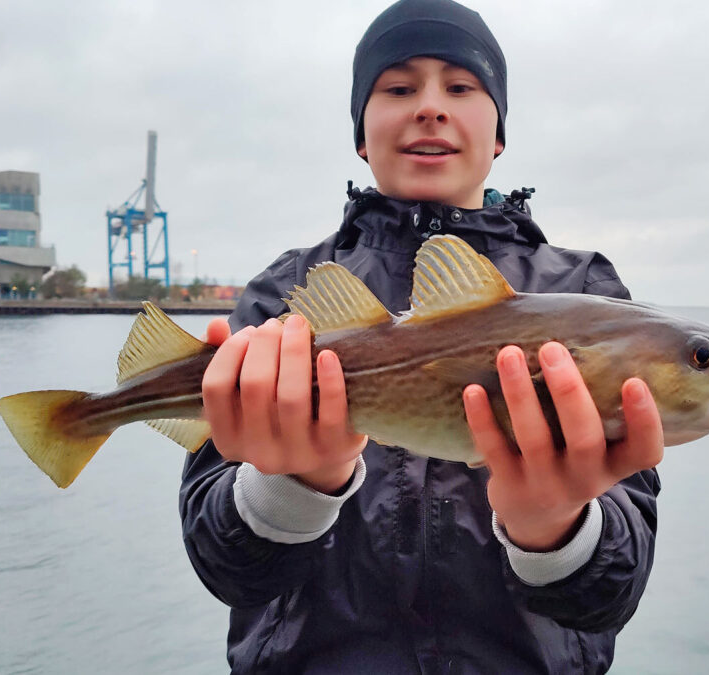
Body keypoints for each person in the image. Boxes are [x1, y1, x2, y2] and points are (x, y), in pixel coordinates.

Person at [180, 1, 663, 672]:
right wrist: (293, 485)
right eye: (399, 88)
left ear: (499, 133)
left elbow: (611, 595)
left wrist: (555, 525)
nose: (430, 107)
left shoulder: (587, 293)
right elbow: (226, 567)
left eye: (461, 87)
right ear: (361, 133)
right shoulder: (286, 292)